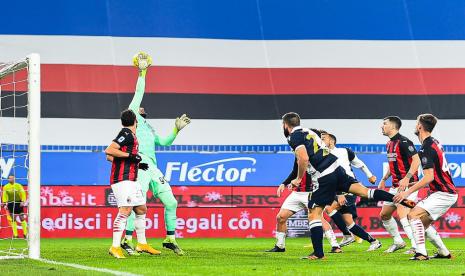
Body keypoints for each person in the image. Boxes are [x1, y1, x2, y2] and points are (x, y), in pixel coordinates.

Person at [282, 112, 415, 260]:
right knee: (366, 192)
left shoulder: (293, 137)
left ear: (285, 125)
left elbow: (303, 158)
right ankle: (403, 200)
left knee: (314, 213)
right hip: (337, 169)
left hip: (323, 176)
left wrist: (298, 178)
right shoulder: (310, 131)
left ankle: (318, 254)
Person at [121, 52, 191, 256]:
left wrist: (176, 130)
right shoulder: (133, 117)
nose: (140, 106)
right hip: (139, 163)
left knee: (171, 202)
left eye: (141, 108)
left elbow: (164, 142)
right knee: (137, 202)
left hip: (152, 166)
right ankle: (127, 239)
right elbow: (138, 92)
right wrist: (142, 72)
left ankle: (170, 238)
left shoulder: (149, 129)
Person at [266, 129, 342, 254]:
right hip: (297, 193)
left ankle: (335, 245)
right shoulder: (300, 153)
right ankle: (280, 246)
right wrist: (283, 184)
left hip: (312, 192)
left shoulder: (321, 155)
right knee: (280, 217)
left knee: (319, 219)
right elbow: (294, 171)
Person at [394, 114, 458, 260]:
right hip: (444, 192)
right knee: (422, 224)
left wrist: (406, 193)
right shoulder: (434, 142)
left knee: (413, 214)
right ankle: (444, 253)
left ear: (419, 127)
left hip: (443, 193)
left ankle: (421, 254)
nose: (415, 125)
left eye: (416, 122)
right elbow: (432, 175)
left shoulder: (426, 148)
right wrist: (411, 183)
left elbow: (429, 177)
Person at [106, 109, 159, 259]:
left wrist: (136, 164)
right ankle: (115, 247)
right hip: (123, 180)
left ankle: (142, 244)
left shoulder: (131, 136)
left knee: (141, 209)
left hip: (131, 179)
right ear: (135, 121)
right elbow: (109, 151)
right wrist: (130, 157)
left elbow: (111, 158)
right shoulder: (126, 134)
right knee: (125, 211)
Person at [320, 132, 380, 251]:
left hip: (348, 187)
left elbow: (360, 164)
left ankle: (347, 235)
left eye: (323, 139)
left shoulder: (344, 151)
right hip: (335, 189)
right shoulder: (323, 154)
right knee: (349, 222)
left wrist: (370, 175)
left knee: (329, 208)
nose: (321, 141)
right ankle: (374, 241)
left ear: (331, 141)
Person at [379, 116, 420, 253]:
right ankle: (398, 241)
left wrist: (407, 178)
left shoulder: (404, 142)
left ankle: (416, 246)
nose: (382, 126)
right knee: (384, 214)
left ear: (393, 126)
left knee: (403, 213)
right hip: (395, 186)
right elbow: (393, 165)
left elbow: (416, 161)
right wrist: (384, 179)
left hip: (409, 186)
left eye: (384, 124)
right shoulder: (389, 144)